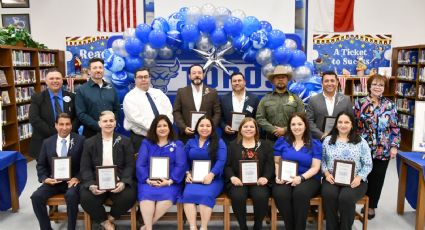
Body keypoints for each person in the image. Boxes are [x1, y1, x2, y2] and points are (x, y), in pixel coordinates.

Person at [79, 111, 136, 230]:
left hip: (118, 180)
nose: (108, 123)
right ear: (99, 124)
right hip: (96, 181)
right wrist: (91, 185)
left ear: (115, 123)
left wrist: (124, 182)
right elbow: (85, 167)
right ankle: (105, 222)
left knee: (129, 196)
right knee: (85, 197)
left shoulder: (125, 141)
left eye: (111, 121)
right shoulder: (89, 143)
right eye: (105, 121)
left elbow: (130, 165)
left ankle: (110, 218)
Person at [354, 74, 400, 219]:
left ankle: (371, 206)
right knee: (361, 176)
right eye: (375, 84)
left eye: (381, 85)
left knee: (377, 178)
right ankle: (355, 202)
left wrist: (394, 146)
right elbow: (353, 126)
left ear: (384, 88)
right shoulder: (359, 103)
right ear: (369, 86)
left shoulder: (390, 104)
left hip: (383, 149)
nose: (377, 87)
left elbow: (395, 127)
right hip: (362, 148)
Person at [31, 113, 85, 230]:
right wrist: (45, 178)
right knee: (36, 197)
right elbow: (41, 165)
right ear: (56, 125)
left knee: (71, 196)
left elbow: (85, 165)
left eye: (67, 124)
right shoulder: (47, 142)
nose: (64, 127)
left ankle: (71, 227)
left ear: (71, 126)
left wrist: (77, 178)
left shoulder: (81, 140)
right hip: (53, 181)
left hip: (73, 181)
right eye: (61, 124)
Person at [321, 112, 373, 230]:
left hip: (355, 180)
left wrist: (359, 177)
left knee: (346, 198)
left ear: (352, 125)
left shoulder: (361, 142)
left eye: (346, 122)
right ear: (335, 125)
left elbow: (368, 164)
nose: (343, 125)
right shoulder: (328, 141)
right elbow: (322, 160)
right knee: (329, 195)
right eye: (340, 122)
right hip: (332, 178)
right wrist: (326, 173)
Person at [272, 113, 322, 230]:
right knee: (280, 194)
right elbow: (277, 162)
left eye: (300, 124)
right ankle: (290, 227)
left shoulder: (315, 143)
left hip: (308, 178)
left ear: (305, 125)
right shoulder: (282, 141)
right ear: (289, 126)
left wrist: (301, 178)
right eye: (293, 124)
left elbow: (315, 167)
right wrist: (278, 175)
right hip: (286, 177)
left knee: (300, 193)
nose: (296, 127)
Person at [136, 115, 186, 230]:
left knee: (167, 196)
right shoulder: (146, 143)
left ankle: (147, 226)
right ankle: (149, 228)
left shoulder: (177, 144)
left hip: (170, 182)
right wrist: (147, 179)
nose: (162, 128)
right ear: (154, 128)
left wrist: (169, 181)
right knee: (146, 195)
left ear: (169, 128)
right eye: (159, 126)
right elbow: (140, 164)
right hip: (148, 181)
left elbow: (181, 165)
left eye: (165, 125)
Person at [224, 117, 274, 230]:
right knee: (237, 196)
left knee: (261, 196)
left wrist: (265, 177)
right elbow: (227, 166)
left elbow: (269, 164)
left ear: (256, 129)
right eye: (245, 126)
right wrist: (232, 177)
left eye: (252, 127)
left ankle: (258, 225)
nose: (248, 129)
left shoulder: (265, 145)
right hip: (238, 181)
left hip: (258, 181)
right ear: (240, 129)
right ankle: (243, 226)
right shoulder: (232, 145)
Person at [179, 116, 227, 230]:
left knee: (206, 195)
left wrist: (211, 174)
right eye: (201, 125)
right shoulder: (190, 142)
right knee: (187, 194)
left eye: (208, 126)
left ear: (212, 128)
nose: (204, 128)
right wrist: (187, 173)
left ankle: (204, 227)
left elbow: (221, 161)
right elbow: (183, 160)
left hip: (213, 179)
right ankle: (193, 226)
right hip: (194, 178)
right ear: (197, 127)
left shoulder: (219, 142)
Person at [29, 69, 79, 160]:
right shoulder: (37, 98)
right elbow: (34, 119)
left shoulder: (72, 97)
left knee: (72, 168)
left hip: (69, 139)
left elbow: (78, 117)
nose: (55, 81)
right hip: (44, 140)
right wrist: (56, 133)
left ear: (62, 80)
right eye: (51, 78)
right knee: (46, 171)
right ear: (46, 81)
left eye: (58, 78)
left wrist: (67, 130)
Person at [123, 68, 173, 152]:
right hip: (141, 139)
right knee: (143, 164)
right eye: (140, 77)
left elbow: (169, 112)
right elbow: (136, 119)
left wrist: (165, 128)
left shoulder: (159, 93)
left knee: (164, 162)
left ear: (150, 78)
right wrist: (157, 129)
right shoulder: (129, 97)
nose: (143, 79)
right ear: (135, 79)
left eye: (146, 77)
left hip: (164, 137)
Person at [173, 64, 221, 142]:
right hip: (186, 136)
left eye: (199, 73)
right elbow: (176, 111)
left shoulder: (212, 92)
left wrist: (210, 127)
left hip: (207, 136)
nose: (197, 75)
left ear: (203, 75)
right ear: (189, 76)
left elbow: (217, 113)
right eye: (194, 73)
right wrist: (183, 127)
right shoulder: (181, 92)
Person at [256, 65, 304, 142]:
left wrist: (285, 130)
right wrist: (273, 130)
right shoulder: (265, 99)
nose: (280, 79)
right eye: (278, 77)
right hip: (270, 140)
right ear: (273, 80)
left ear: (287, 80)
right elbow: (260, 118)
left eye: (283, 77)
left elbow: (302, 119)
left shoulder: (296, 99)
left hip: (291, 140)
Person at [75, 57, 120, 138]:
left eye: (100, 67)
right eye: (95, 68)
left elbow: (116, 109)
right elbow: (81, 114)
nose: (98, 70)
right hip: (91, 134)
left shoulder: (111, 88)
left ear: (103, 70)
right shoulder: (81, 90)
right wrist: (100, 126)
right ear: (89, 71)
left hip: (110, 133)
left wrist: (110, 124)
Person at [306, 71, 353, 140]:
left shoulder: (346, 100)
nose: (329, 83)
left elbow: (351, 120)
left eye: (332, 81)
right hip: (319, 140)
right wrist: (321, 135)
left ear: (337, 83)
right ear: (322, 83)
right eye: (326, 81)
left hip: (341, 140)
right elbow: (309, 121)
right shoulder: (313, 100)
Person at [220, 72, 259, 144]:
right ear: (231, 83)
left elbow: (257, 118)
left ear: (244, 82)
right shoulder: (224, 99)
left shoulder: (254, 98)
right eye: (234, 81)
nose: (237, 83)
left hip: (249, 138)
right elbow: (220, 117)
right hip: (229, 138)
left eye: (239, 80)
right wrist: (224, 126)